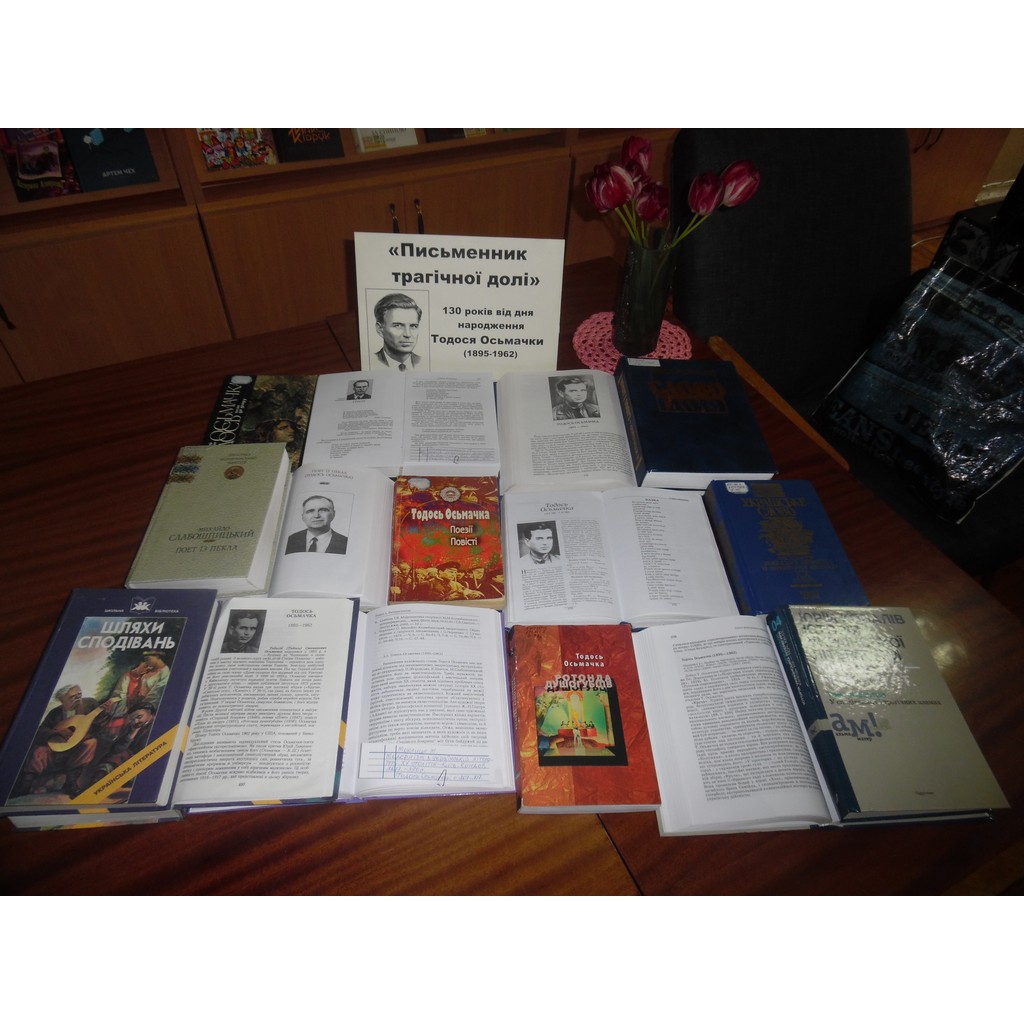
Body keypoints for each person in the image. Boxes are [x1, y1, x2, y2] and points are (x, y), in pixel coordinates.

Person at [373, 293, 422, 370]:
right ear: (380, 329)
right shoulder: (372, 361)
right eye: (398, 326)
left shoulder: (424, 362)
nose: (408, 334)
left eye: (413, 326)